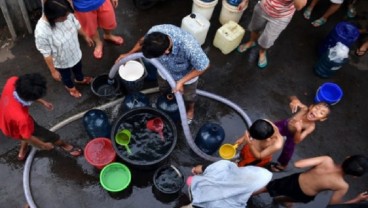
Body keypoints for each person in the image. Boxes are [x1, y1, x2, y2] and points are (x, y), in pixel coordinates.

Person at [115, 24, 210, 124]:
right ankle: (166, 100)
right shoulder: (155, 32)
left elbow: (204, 66)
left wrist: (182, 81)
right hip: (164, 71)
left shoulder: (189, 47)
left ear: (166, 51)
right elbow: (142, 41)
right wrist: (129, 54)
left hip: (186, 75)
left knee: (189, 97)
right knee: (164, 89)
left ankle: (190, 110)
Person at [0, 73, 82, 161]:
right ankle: (65, 146)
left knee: (24, 131)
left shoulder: (12, 81)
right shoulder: (23, 119)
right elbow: (27, 137)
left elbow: (27, 93)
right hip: (15, 124)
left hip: (5, 116)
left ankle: (23, 149)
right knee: (48, 136)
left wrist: (43, 102)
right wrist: (43, 145)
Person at [255, 155, 368, 207]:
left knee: (269, 187)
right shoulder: (342, 186)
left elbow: (299, 164)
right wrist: (357, 199)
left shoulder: (326, 160)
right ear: (355, 177)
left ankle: (250, 192)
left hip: (294, 181)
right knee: (295, 198)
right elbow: (333, 206)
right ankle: (281, 200)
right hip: (306, 194)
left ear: (347, 158)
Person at [35, 0, 94, 98]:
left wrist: (85, 36)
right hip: (61, 61)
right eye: (64, 17)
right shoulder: (41, 32)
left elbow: (77, 24)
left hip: (75, 52)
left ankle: (79, 79)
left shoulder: (66, 14)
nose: (67, 17)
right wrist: (53, 71)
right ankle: (71, 88)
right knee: (66, 77)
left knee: (78, 68)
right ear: (53, 17)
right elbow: (46, 53)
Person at [237, 0, 307, 69]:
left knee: (267, 39)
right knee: (255, 28)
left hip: (281, 17)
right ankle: (251, 42)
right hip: (263, 7)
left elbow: (299, 6)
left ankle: (262, 52)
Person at [269, 96, 330, 172]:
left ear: (322, 119)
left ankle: (282, 165)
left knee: (288, 151)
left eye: (321, 113)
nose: (317, 112)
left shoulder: (311, 127)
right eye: (317, 108)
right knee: (269, 129)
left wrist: (298, 130)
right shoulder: (304, 109)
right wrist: (294, 100)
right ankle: (258, 138)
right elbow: (292, 96)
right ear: (311, 107)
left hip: (293, 135)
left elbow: (297, 141)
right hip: (284, 124)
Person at [183, 160, 272, 208]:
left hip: (196, 189)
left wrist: (196, 170)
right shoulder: (235, 205)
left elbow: (198, 169)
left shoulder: (223, 165)